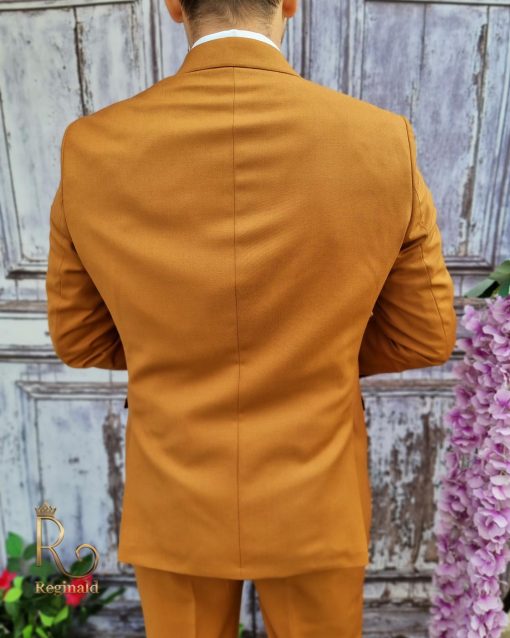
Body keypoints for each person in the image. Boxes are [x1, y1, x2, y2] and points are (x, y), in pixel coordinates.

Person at [45, 0, 457, 635]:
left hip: (175, 491)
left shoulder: (92, 147)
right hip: (316, 492)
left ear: (174, 5)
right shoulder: (382, 140)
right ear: (290, 1)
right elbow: (425, 335)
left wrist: (173, 351)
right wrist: (316, 351)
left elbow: (78, 338)